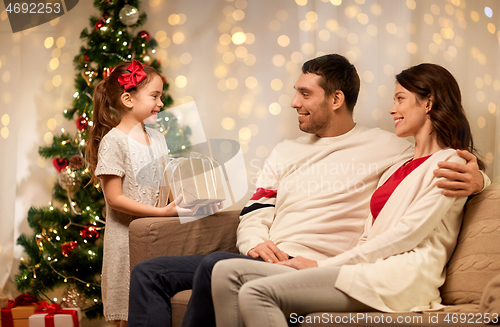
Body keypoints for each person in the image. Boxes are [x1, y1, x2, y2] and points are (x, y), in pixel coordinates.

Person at [127, 55, 488, 327]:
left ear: (335, 99)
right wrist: (253, 242)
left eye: (304, 93)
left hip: (312, 259)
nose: (294, 103)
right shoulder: (287, 150)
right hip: (263, 254)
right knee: (148, 271)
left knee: (214, 266)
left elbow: (439, 172)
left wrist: (479, 181)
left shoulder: (388, 147)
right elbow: (256, 209)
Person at [85, 60, 200, 326]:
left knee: (155, 305)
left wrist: (186, 200)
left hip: (157, 235)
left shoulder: (158, 138)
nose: (160, 103)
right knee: (130, 311)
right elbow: (115, 199)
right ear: (127, 98)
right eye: (155, 96)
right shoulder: (114, 142)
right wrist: (162, 212)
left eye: (161, 96)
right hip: (126, 240)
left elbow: (166, 181)